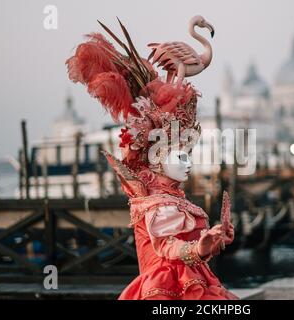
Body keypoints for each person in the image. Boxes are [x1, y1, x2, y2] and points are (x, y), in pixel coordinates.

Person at [66, 17, 239, 300]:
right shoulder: (155, 204)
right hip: (163, 290)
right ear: (157, 156)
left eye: (188, 154)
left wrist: (214, 241)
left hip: (194, 283)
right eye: (180, 155)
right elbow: (168, 249)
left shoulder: (175, 199)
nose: (188, 162)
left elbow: (193, 252)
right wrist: (200, 247)